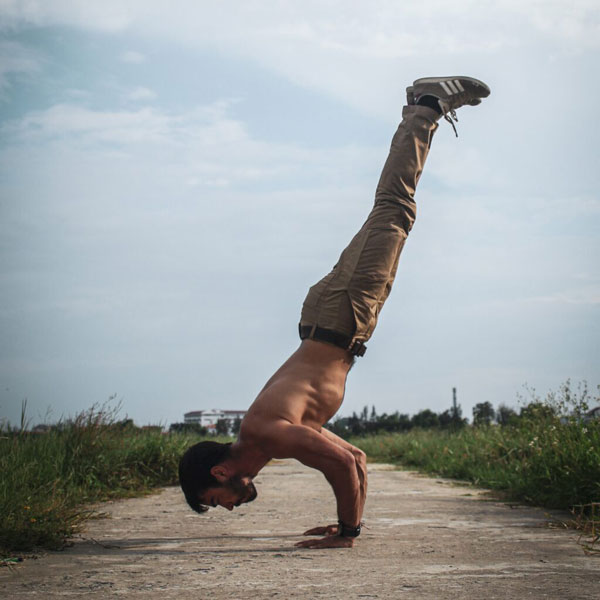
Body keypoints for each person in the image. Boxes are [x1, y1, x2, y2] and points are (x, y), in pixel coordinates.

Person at [178, 76, 491, 549]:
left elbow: (344, 467)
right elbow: (357, 459)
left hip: (339, 316)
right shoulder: (274, 438)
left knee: (395, 209)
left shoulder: (269, 435)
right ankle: (419, 108)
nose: (226, 506)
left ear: (221, 472)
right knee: (393, 211)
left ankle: (426, 106)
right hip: (340, 320)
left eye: (215, 497)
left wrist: (347, 534)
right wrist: (348, 526)